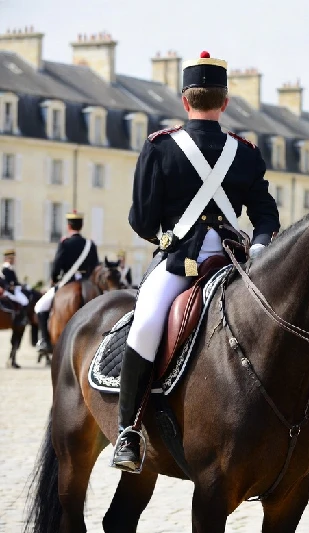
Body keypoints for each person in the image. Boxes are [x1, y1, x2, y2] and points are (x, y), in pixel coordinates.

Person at [112, 51, 280, 472]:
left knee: (147, 323)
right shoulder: (245, 152)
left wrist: (163, 238)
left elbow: (140, 218)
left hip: (175, 264)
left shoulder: (160, 147)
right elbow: (266, 215)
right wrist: (258, 249)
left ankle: (128, 431)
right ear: (224, 103)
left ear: (185, 101)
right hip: (236, 262)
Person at [33, 211, 99, 355]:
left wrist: (55, 279)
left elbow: (57, 266)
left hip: (67, 282)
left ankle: (44, 340)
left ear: (69, 226)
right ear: (81, 226)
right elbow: (95, 266)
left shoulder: (65, 243)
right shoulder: (90, 244)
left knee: (39, 307)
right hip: (88, 283)